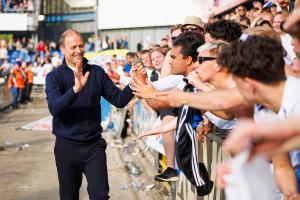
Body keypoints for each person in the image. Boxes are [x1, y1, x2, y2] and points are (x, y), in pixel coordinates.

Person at [45, 29, 134, 200]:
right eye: (73, 47)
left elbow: (119, 100)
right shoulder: (54, 77)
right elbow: (55, 108)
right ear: (62, 49)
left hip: (94, 146)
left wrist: (134, 84)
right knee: (69, 196)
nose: (78, 50)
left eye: (81, 45)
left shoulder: (96, 72)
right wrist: (75, 89)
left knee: (100, 195)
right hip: (66, 147)